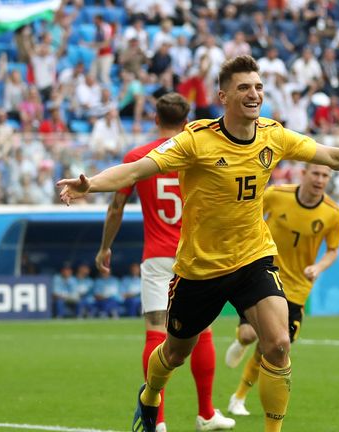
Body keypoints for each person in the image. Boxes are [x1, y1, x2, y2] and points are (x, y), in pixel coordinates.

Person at [57, 55, 339, 432]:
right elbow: (138, 168)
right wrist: (91, 183)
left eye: (258, 86)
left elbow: (334, 155)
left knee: (278, 344)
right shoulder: (196, 142)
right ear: (224, 97)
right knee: (175, 353)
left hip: (253, 257)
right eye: (244, 87)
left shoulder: (273, 135)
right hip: (200, 268)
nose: (254, 93)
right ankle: (151, 394)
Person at [94, 93, 235, 432]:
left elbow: (115, 208)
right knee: (202, 331)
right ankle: (206, 413)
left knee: (156, 333)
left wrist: (104, 249)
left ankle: (156, 420)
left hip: (158, 256)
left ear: (155, 119)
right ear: (187, 122)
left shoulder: (138, 156)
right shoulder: (198, 152)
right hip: (197, 255)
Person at [225, 164, 339, 417]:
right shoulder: (278, 195)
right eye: (316, 174)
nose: (320, 180)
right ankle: (240, 340)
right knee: (248, 336)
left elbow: (333, 250)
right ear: (304, 173)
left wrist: (319, 266)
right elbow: (250, 216)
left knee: (274, 348)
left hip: (297, 288)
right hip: (264, 276)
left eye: (325, 176)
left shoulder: (333, 213)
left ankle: (238, 398)